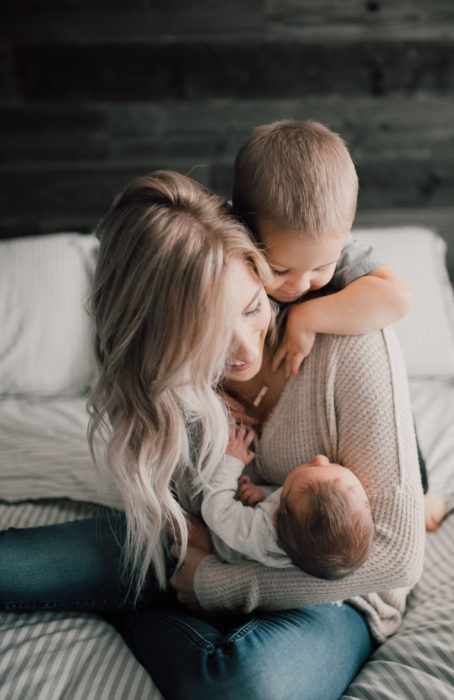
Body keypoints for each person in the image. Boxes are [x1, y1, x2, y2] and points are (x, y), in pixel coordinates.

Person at [0, 170, 424, 700]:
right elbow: (184, 508)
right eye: (207, 337)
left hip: (332, 590)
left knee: (243, 685)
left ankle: (143, 610)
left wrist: (215, 586)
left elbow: (396, 556)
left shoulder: (353, 343)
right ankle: (151, 603)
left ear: (261, 270)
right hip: (197, 543)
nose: (246, 350)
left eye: (252, 308)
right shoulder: (168, 376)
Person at [232, 118, 447, 531]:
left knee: (391, 398)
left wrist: (308, 314)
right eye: (279, 268)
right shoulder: (232, 253)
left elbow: (397, 297)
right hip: (273, 416)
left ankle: (420, 491)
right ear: (245, 230)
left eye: (320, 267)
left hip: (341, 402)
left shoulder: (343, 255)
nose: (299, 284)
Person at [200, 426, 375, 579]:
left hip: (217, 540)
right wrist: (263, 494)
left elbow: (217, 509)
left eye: (312, 467)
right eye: (336, 466)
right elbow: (291, 496)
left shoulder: (261, 531)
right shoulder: (298, 527)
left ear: (275, 517)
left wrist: (233, 460)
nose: (320, 458)